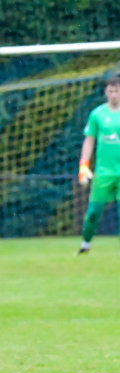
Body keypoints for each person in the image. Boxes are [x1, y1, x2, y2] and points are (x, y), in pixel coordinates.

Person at [77, 75, 120, 254]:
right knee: (93, 212)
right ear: (105, 92)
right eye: (111, 91)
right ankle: (85, 244)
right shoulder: (97, 114)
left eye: (117, 91)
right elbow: (89, 141)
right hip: (103, 173)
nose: (114, 95)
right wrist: (83, 165)